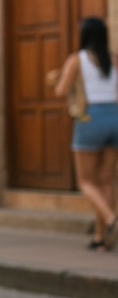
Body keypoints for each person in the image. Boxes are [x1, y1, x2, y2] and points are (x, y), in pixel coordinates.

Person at [52, 17, 118, 251]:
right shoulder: (113, 59)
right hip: (115, 117)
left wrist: (58, 78)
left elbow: (61, 91)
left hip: (91, 118)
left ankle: (111, 220)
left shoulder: (77, 60)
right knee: (107, 181)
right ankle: (102, 239)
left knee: (86, 182)